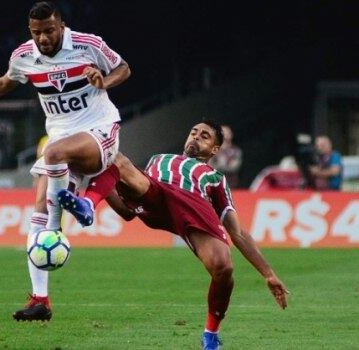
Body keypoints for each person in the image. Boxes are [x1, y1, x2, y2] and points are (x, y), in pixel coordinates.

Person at [0, 1, 130, 321]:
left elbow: (123, 68)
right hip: (61, 138)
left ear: (61, 26)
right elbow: (5, 83)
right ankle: (40, 300)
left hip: (99, 131)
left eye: (49, 30)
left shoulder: (88, 45)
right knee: (41, 214)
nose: (43, 38)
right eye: (37, 33)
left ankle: (57, 225)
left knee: (52, 155)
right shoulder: (24, 56)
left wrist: (105, 80)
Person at [58, 121, 288, 350]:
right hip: (156, 192)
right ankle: (88, 204)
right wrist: (100, 182)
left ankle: (210, 335)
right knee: (113, 157)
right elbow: (127, 213)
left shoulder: (216, 177)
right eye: (193, 132)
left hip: (190, 205)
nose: (196, 137)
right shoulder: (158, 159)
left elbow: (237, 232)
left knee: (224, 267)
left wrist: (268, 274)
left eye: (205, 136)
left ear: (215, 149)